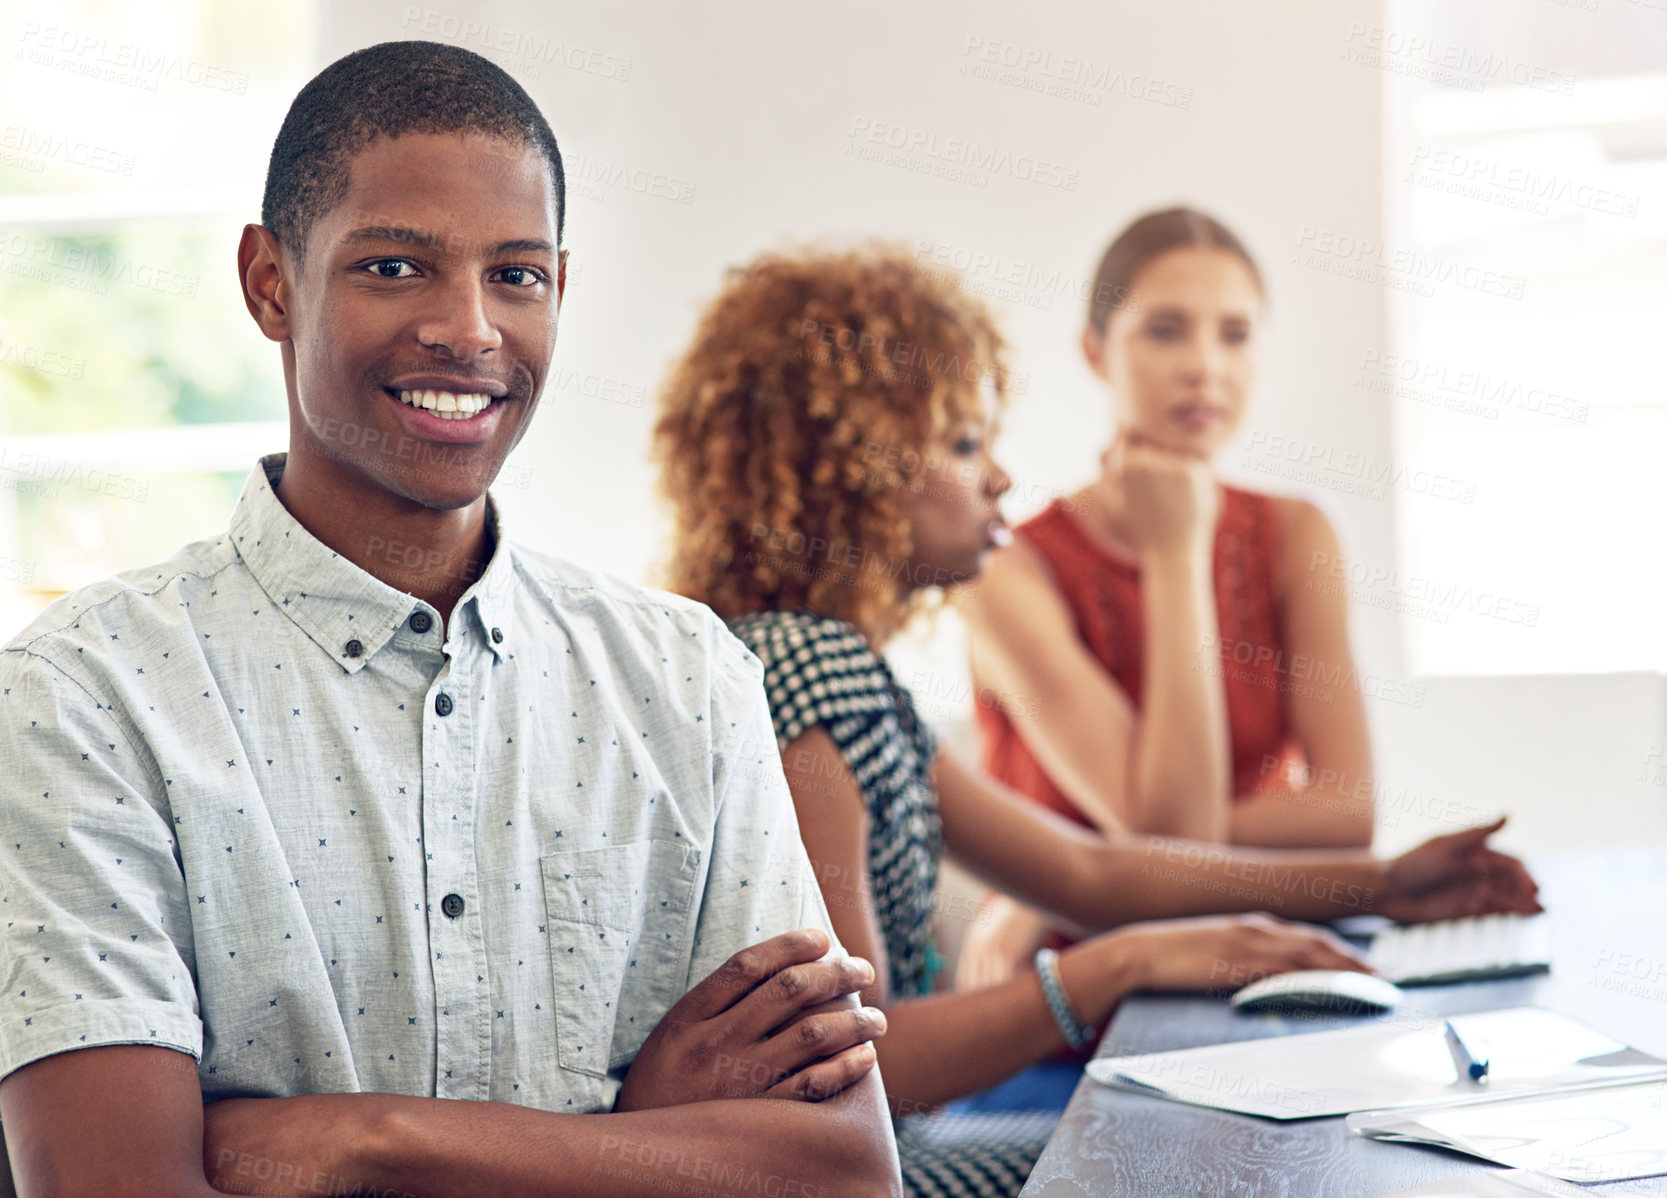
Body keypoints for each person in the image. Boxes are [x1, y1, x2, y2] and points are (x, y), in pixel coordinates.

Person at [0, 42, 903, 1198]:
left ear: (560, 290)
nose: (469, 329)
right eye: (393, 266)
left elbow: (838, 1175)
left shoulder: (683, 678)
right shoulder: (82, 701)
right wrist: (633, 1138)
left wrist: (367, 1138)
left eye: (516, 275)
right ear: (270, 281)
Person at [650, 244, 1540, 1197]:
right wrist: (1108, 973)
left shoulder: (836, 669)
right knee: (1220, 1165)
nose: (998, 477)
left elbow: (1085, 870)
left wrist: (1383, 887)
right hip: (862, 1174)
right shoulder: (807, 670)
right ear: (848, 476)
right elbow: (873, 1064)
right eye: (961, 447)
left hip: (892, 1153)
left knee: (1218, 1150)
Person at [956, 206, 1385, 999]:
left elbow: (1348, 813)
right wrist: (1177, 550)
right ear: (1095, 351)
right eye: (1164, 330)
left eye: (1234, 334)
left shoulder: (1295, 533)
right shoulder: (1004, 566)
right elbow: (1173, 839)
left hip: (1260, 963)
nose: (1203, 367)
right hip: (1066, 993)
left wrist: (1057, 865)